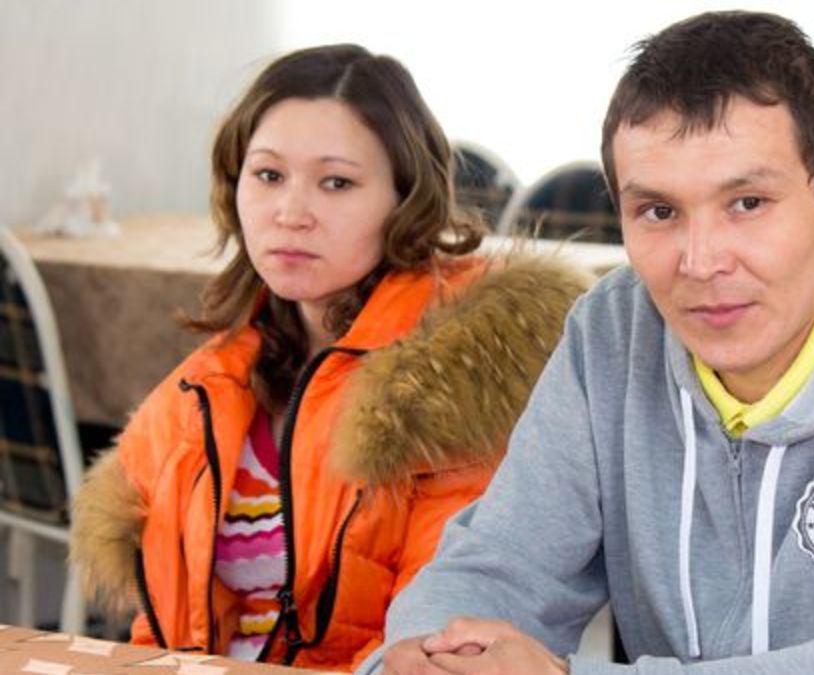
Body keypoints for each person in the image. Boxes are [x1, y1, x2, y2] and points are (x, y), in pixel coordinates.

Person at [364, 10, 814, 675]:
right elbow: (498, 566)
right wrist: (426, 655)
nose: (700, 262)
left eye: (748, 203)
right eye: (658, 211)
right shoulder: (611, 332)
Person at [68, 44, 588, 672]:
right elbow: (163, 625)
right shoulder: (209, 384)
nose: (290, 213)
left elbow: (435, 641)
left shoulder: (464, 380)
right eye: (268, 175)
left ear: (406, 200)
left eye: (336, 182)